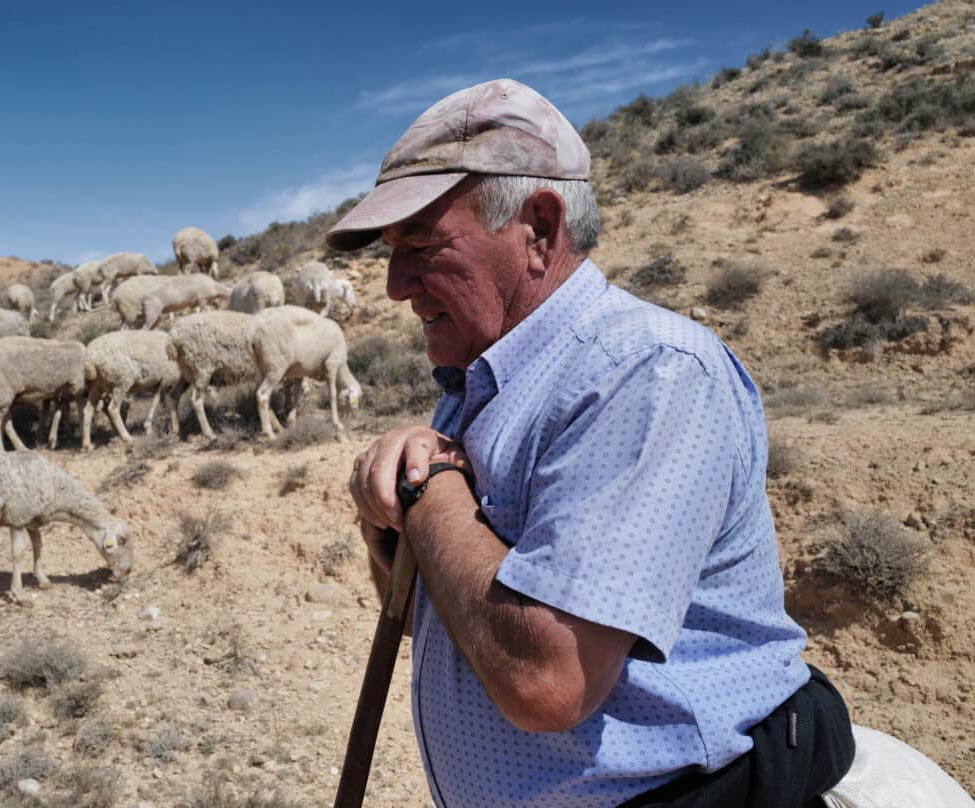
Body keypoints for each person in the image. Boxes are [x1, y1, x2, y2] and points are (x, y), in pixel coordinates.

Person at [333, 79, 854, 808]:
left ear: (539, 229)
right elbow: (438, 607)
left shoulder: (644, 372)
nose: (395, 285)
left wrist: (431, 489)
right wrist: (390, 518)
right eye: (392, 251)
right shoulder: (479, 382)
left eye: (421, 243)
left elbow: (548, 682)